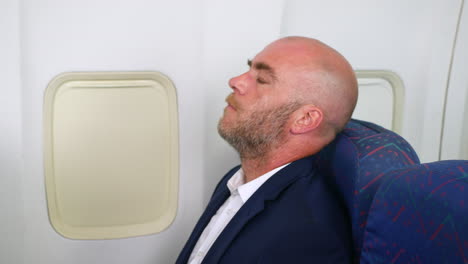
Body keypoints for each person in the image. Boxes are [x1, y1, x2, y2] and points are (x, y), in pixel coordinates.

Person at [176, 36, 358, 264]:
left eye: (261, 79)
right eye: (248, 69)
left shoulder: (308, 233)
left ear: (304, 119)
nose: (235, 81)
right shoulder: (237, 179)